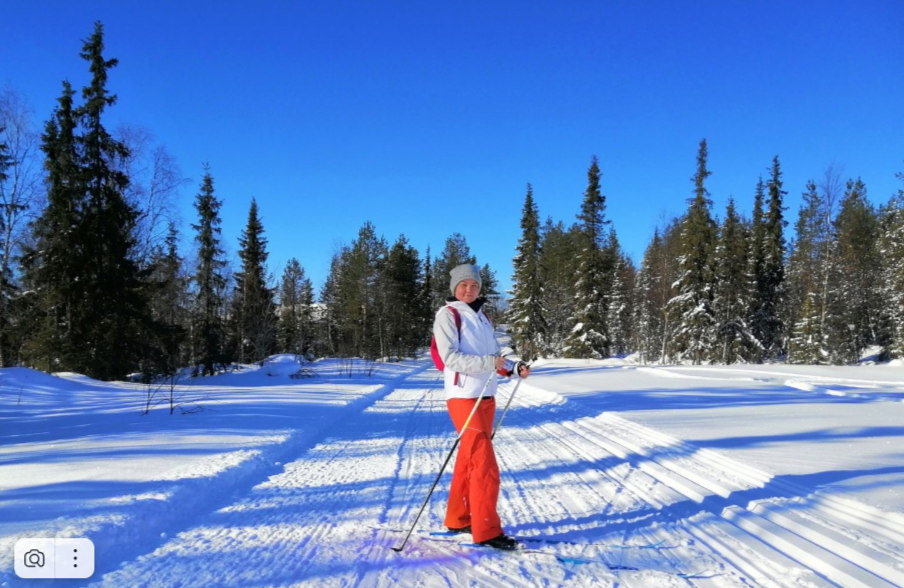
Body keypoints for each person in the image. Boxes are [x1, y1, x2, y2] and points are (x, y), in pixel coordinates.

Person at [433, 263, 530, 550]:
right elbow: (450, 357)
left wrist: (513, 369)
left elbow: (496, 355)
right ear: (454, 288)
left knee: (468, 459)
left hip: (486, 396)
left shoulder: (482, 316)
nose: (468, 289)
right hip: (464, 397)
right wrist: (489, 363)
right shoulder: (448, 315)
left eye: (473, 285)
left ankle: (458, 517)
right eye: (463, 285)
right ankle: (486, 529)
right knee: (484, 464)